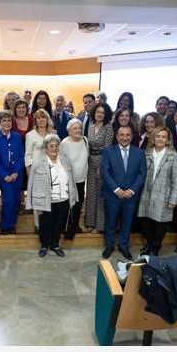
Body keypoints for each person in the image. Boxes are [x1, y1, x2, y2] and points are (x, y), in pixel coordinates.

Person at [26, 134, 77, 258]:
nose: (54, 148)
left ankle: (55, 245)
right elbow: (31, 182)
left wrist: (73, 196)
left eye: (56, 146)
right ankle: (44, 245)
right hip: (45, 200)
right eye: (51, 146)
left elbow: (72, 179)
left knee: (59, 224)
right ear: (46, 148)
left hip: (63, 198)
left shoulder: (65, 160)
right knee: (45, 224)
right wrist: (32, 202)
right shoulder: (38, 162)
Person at [100, 125, 147, 260]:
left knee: (127, 222)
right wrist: (117, 190)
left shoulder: (139, 152)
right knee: (110, 221)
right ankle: (109, 245)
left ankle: (123, 245)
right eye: (122, 135)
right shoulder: (109, 151)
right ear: (117, 136)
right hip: (112, 194)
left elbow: (142, 174)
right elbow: (105, 172)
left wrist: (132, 191)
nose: (124, 138)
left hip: (130, 196)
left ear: (132, 137)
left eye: (128, 135)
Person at [137, 126, 177, 256]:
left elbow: (176, 179)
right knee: (146, 222)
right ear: (153, 138)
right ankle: (149, 244)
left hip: (164, 195)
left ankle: (155, 248)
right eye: (158, 136)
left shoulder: (173, 155)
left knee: (159, 224)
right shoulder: (147, 152)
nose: (160, 139)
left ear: (168, 140)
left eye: (163, 137)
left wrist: (174, 199)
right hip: (146, 193)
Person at [84, 102, 115, 233]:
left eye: (102, 112)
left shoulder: (109, 127)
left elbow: (108, 149)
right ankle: (90, 222)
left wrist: (102, 167)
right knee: (90, 193)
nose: (100, 114)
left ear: (106, 114)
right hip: (90, 161)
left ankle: (99, 225)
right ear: (94, 113)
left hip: (103, 162)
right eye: (98, 112)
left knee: (100, 194)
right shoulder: (90, 126)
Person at [0, 111, 24, 234]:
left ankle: (11, 224)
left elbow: (22, 156)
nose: (7, 123)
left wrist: (16, 172)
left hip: (16, 174)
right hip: (4, 175)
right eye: (4, 121)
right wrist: (4, 175)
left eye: (9, 120)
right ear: (0, 123)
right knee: (8, 200)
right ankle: (4, 224)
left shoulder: (17, 137)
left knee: (16, 199)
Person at [60, 119, 89, 239]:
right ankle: (64, 227)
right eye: (74, 128)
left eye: (79, 128)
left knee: (78, 203)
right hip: (68, 179)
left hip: (81, 179)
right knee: (67, 204)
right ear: (69, 130)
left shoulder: (85, 140)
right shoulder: (64, 143)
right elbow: (61, 161)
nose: (78, 130)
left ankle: (75, 224)